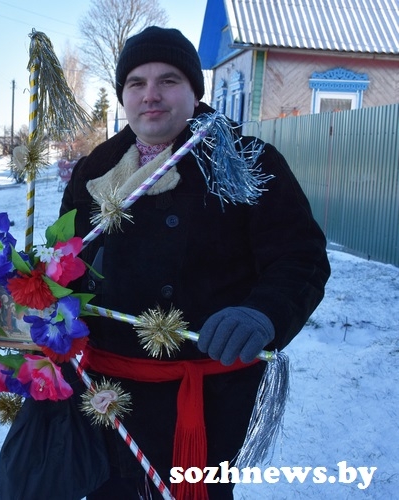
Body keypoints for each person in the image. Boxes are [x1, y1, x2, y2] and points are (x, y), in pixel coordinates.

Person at [58, 27, 330, 499]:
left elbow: (300, 257)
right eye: (136, 84)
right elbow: (67, 263)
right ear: (123, 94)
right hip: (105, 392)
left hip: (204, 399)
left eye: (168, 81)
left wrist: (262, 312)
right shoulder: (93, 170)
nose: (151, 96)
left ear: (193, 91)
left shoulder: (245, 161)